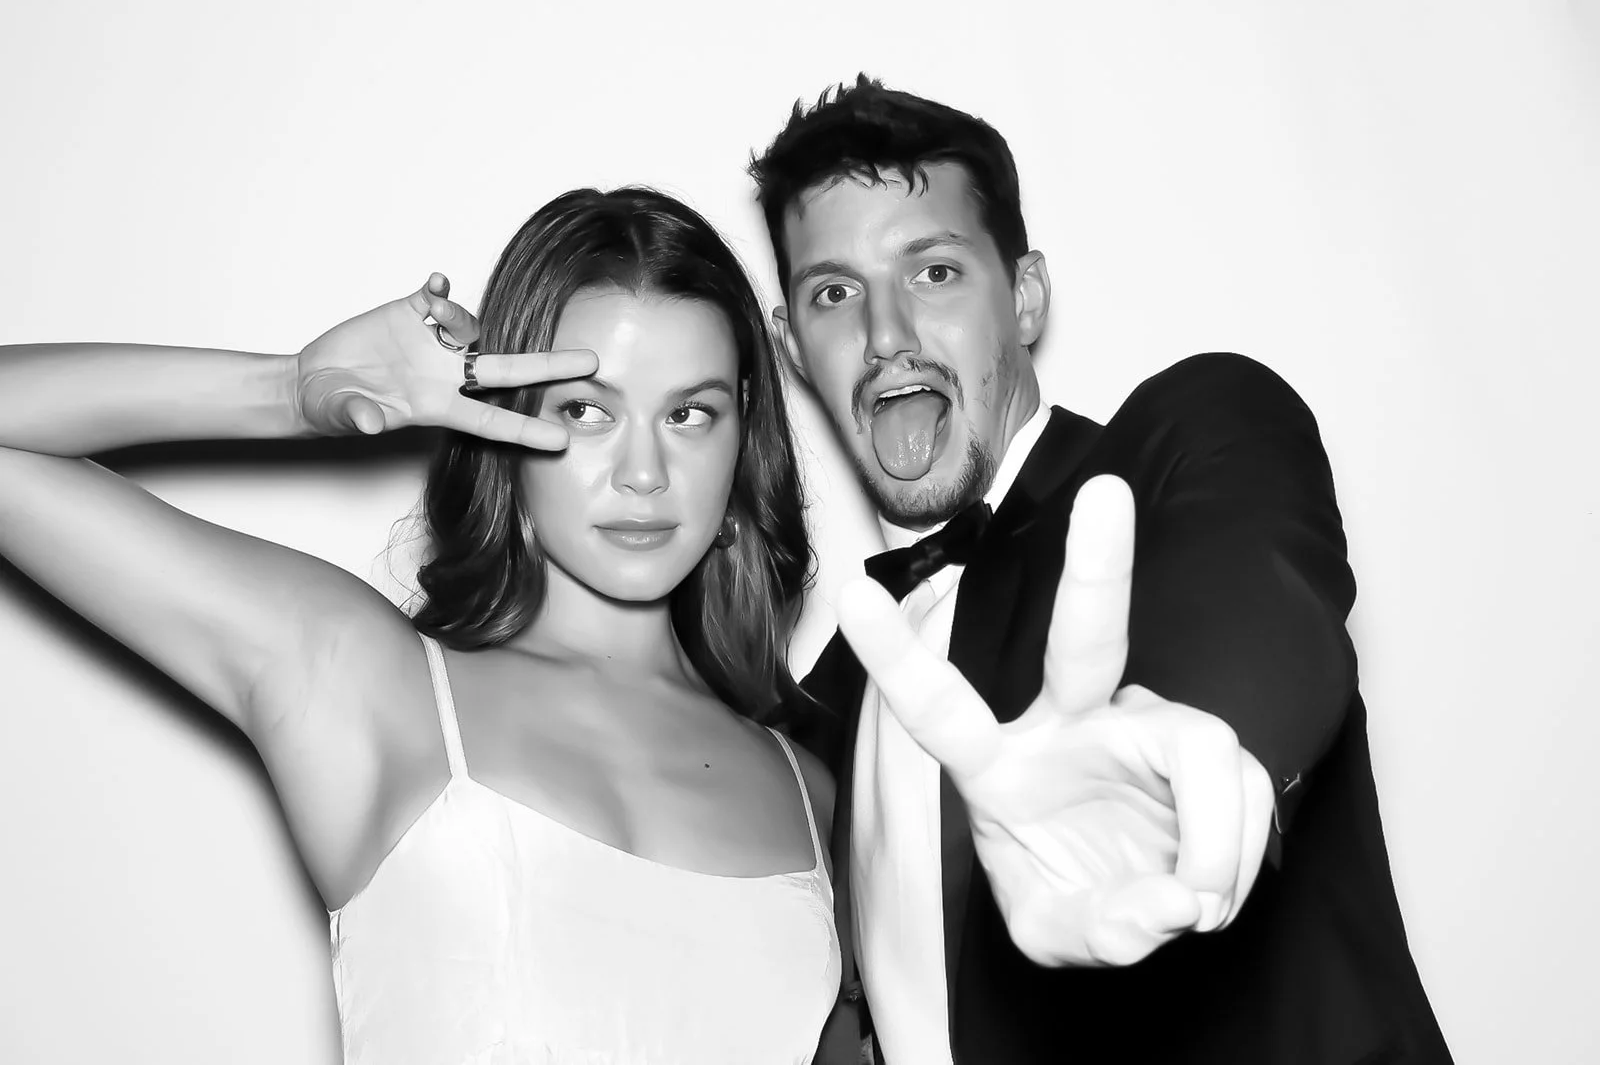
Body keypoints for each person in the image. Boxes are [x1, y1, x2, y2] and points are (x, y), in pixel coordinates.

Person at [0, 187, 841, 1064]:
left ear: (744, 432)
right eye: (587, 409)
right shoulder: (374, 689)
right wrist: (286, 391)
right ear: (511, 416)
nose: (643, 472)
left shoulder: (814, 794)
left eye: (688, 414)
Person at [749, 77, 1454, 1064]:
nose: (885, 334)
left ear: (1025, 296)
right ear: (791, 344)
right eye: (834, 292)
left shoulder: (1181, 450)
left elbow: (1249, 581)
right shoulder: (820, 710)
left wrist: (1188, 776)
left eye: (934, 272)